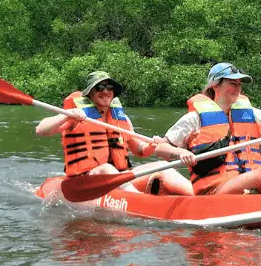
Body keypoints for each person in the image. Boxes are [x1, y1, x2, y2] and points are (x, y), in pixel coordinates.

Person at [154, 62, 261, 196]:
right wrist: (181, 153)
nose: (237, 89)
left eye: (239, 84)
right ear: (215, 86)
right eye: (232, 83)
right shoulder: (194, 119)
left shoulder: (247, 113)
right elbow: (161, 148)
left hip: (247, 184)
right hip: (216, 190)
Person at [36, 71, 194, 196]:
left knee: (163, 167)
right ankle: (140, 201)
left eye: (109, 87)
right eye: (100, 88)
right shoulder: (76, 117)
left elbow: (139, 150)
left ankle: (198, 197)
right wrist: (66, 114)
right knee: (107, 168)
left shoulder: (121, 118)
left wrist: (153, 145)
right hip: (87, 181)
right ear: (90, 93)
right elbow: (41, 130)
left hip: (120, 177)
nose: (106, 91)